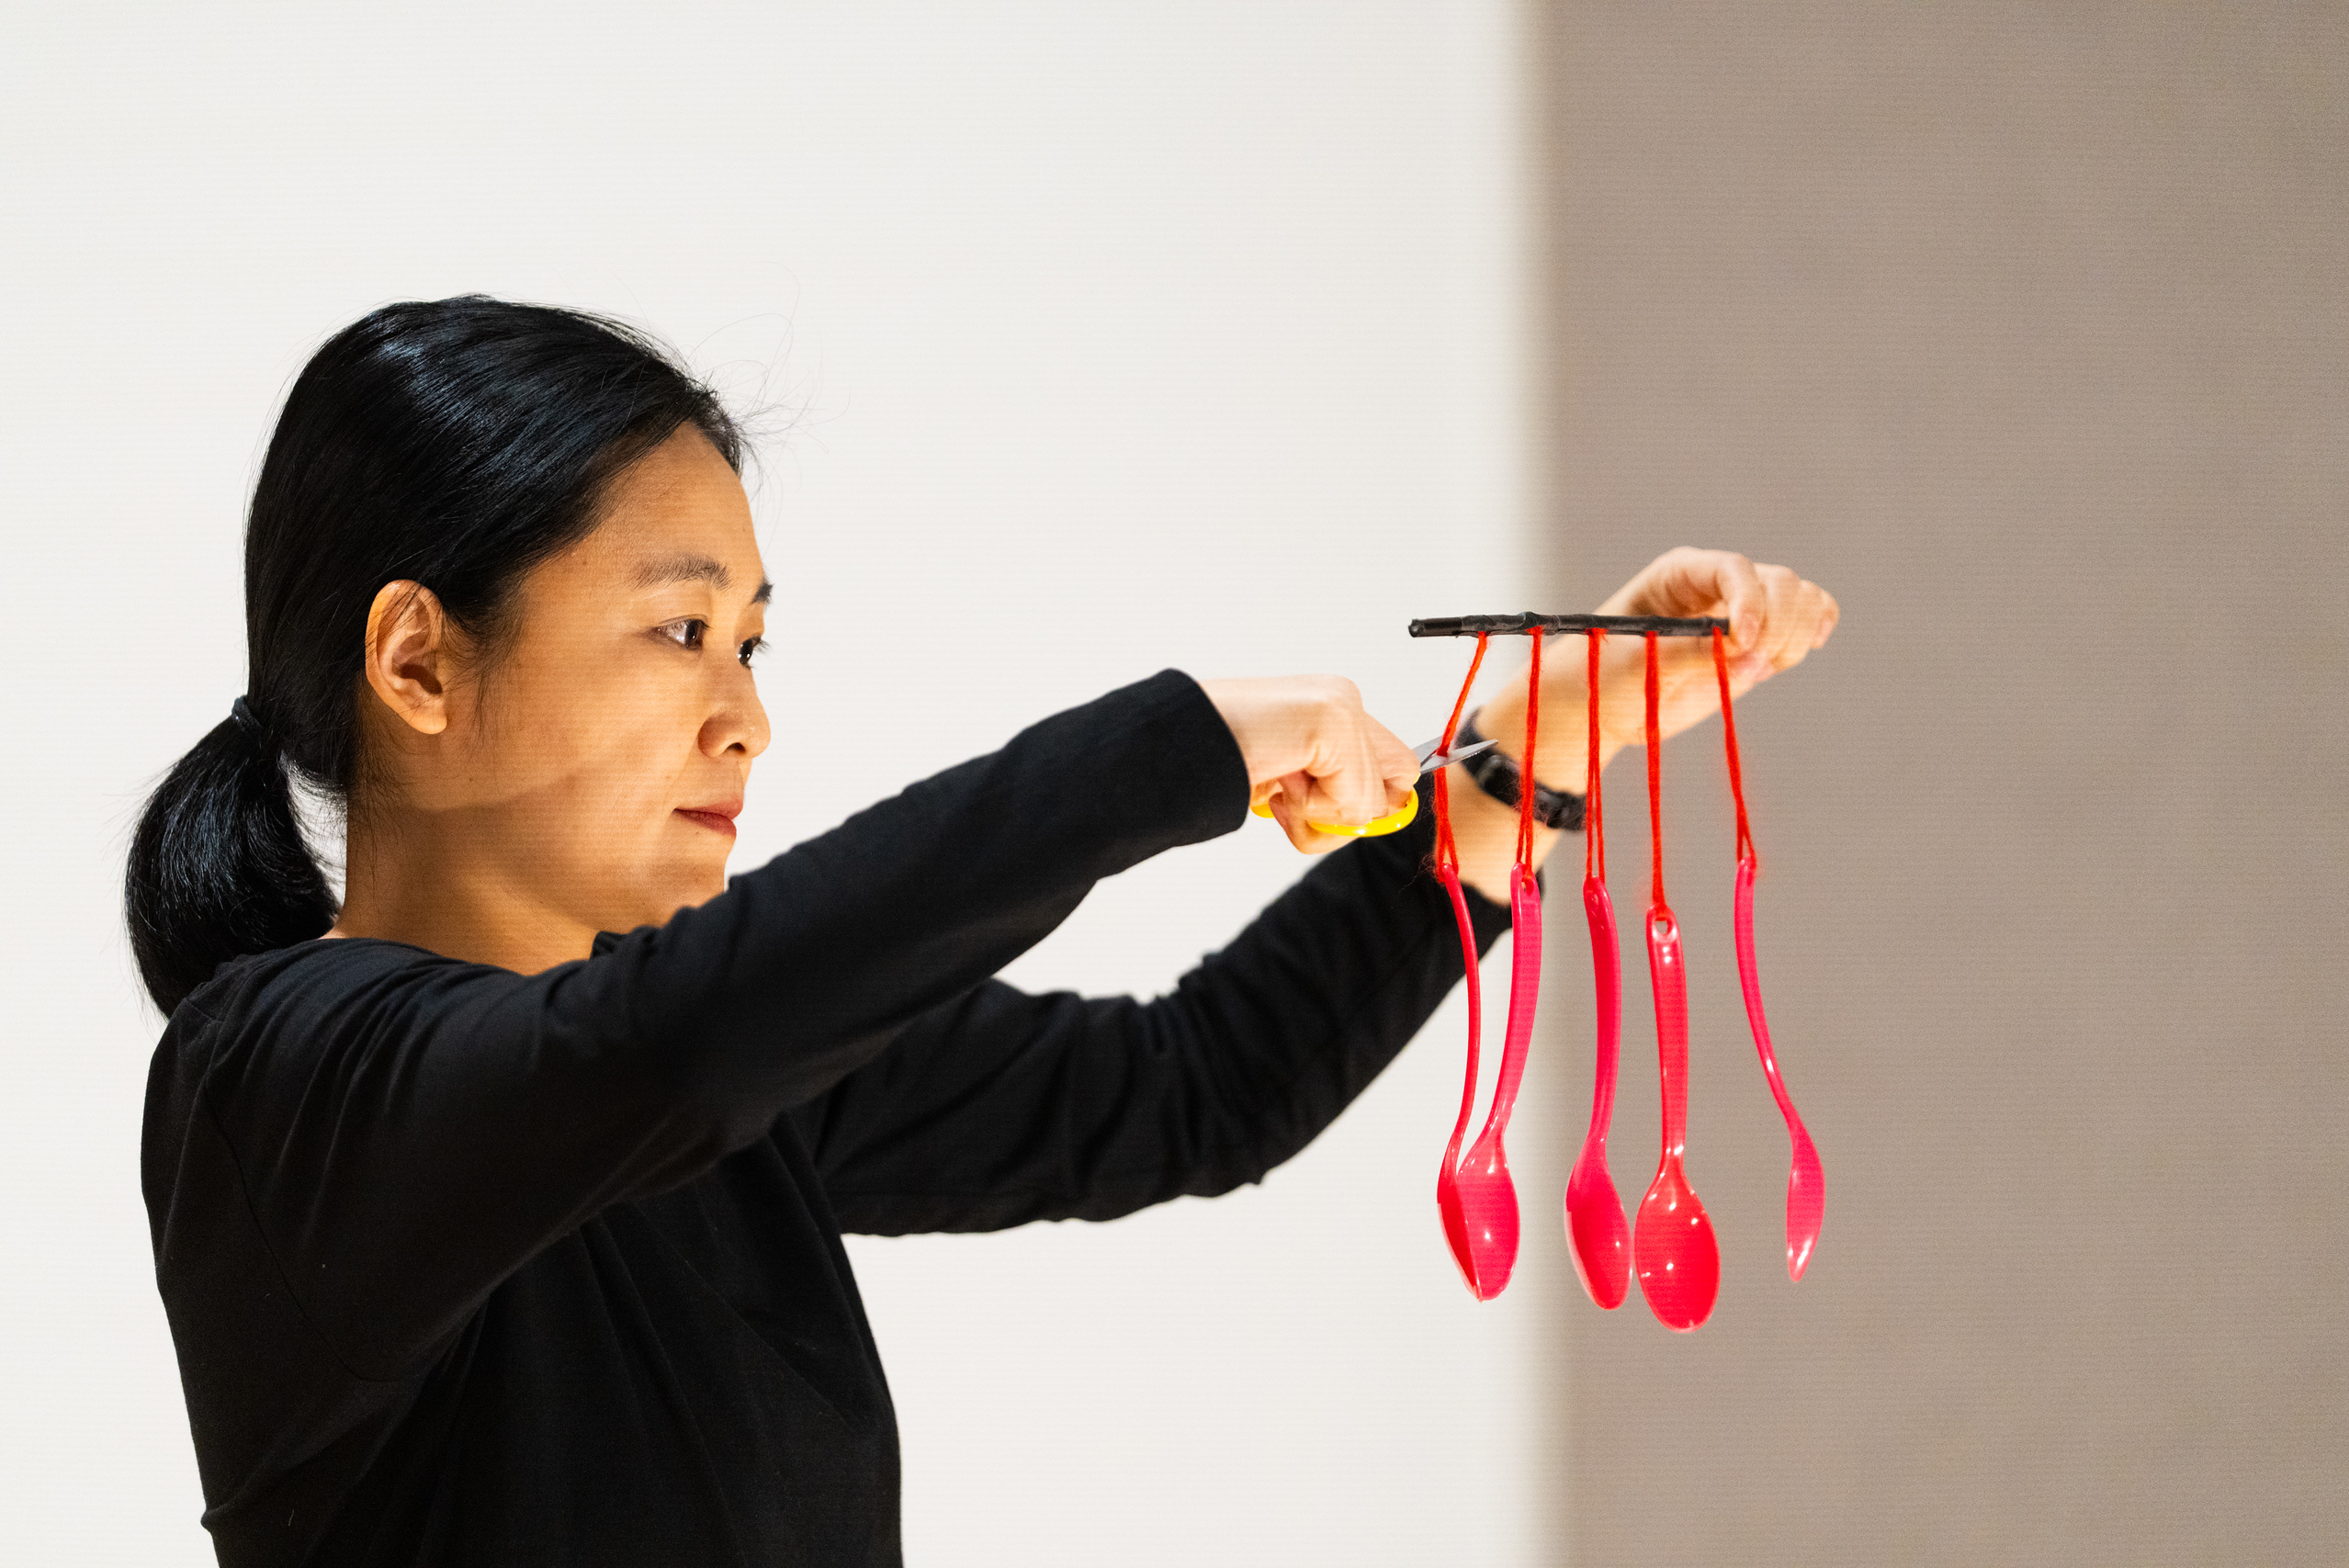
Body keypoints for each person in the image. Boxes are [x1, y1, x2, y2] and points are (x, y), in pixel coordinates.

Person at [129, 297, 1839, 1567]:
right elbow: (678, 1041)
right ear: (420, 662)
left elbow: (1189, 1088)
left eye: (752, 644)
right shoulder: (279, 1081)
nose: (746, 721)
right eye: (680, 633)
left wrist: (1529, 758)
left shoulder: (706, 1089)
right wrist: (1172, 747)